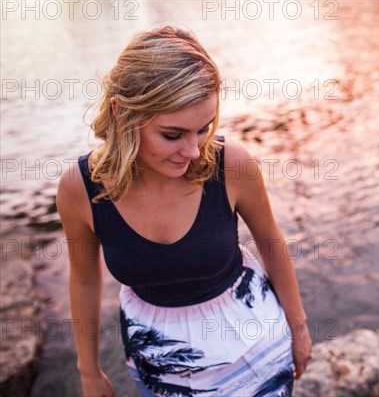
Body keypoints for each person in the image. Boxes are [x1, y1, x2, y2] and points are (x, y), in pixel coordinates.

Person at [56, 25, 312, 396]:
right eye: (172, 135)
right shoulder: (79, 187)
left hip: (254, 348)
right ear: (122, 113)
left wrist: (299, 328)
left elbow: (271, 243)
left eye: (203, 129)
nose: (193, 151)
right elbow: (83, 278)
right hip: (157, 362)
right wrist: (89, 370)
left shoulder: (232, 165)